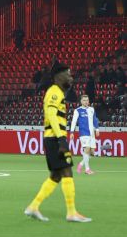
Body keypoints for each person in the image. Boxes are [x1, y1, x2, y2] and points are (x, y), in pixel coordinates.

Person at [24, 63, 91, 222]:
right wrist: (62, 139)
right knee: (67, 172)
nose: (70, 77)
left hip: (52, 138)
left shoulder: (57, 92)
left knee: (55, 176)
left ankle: (33, 207)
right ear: (57, 76)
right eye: (67, 74)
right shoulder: (54, 92)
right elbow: (52, 115)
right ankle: (71, 212)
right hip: (55, 138)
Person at [70, 94, 100, 175]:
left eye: (87, 100)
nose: (86, 102)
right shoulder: (78, 110)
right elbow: (73, 121)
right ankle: (87, 169)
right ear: (81, 101)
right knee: (87, 149)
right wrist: (72, 132)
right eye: (84, 100)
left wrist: (97, 129)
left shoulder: (91, 109)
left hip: (92, 133)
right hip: (83, 133)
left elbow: (95, 120)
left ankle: (81, 164)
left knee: (92, 152)